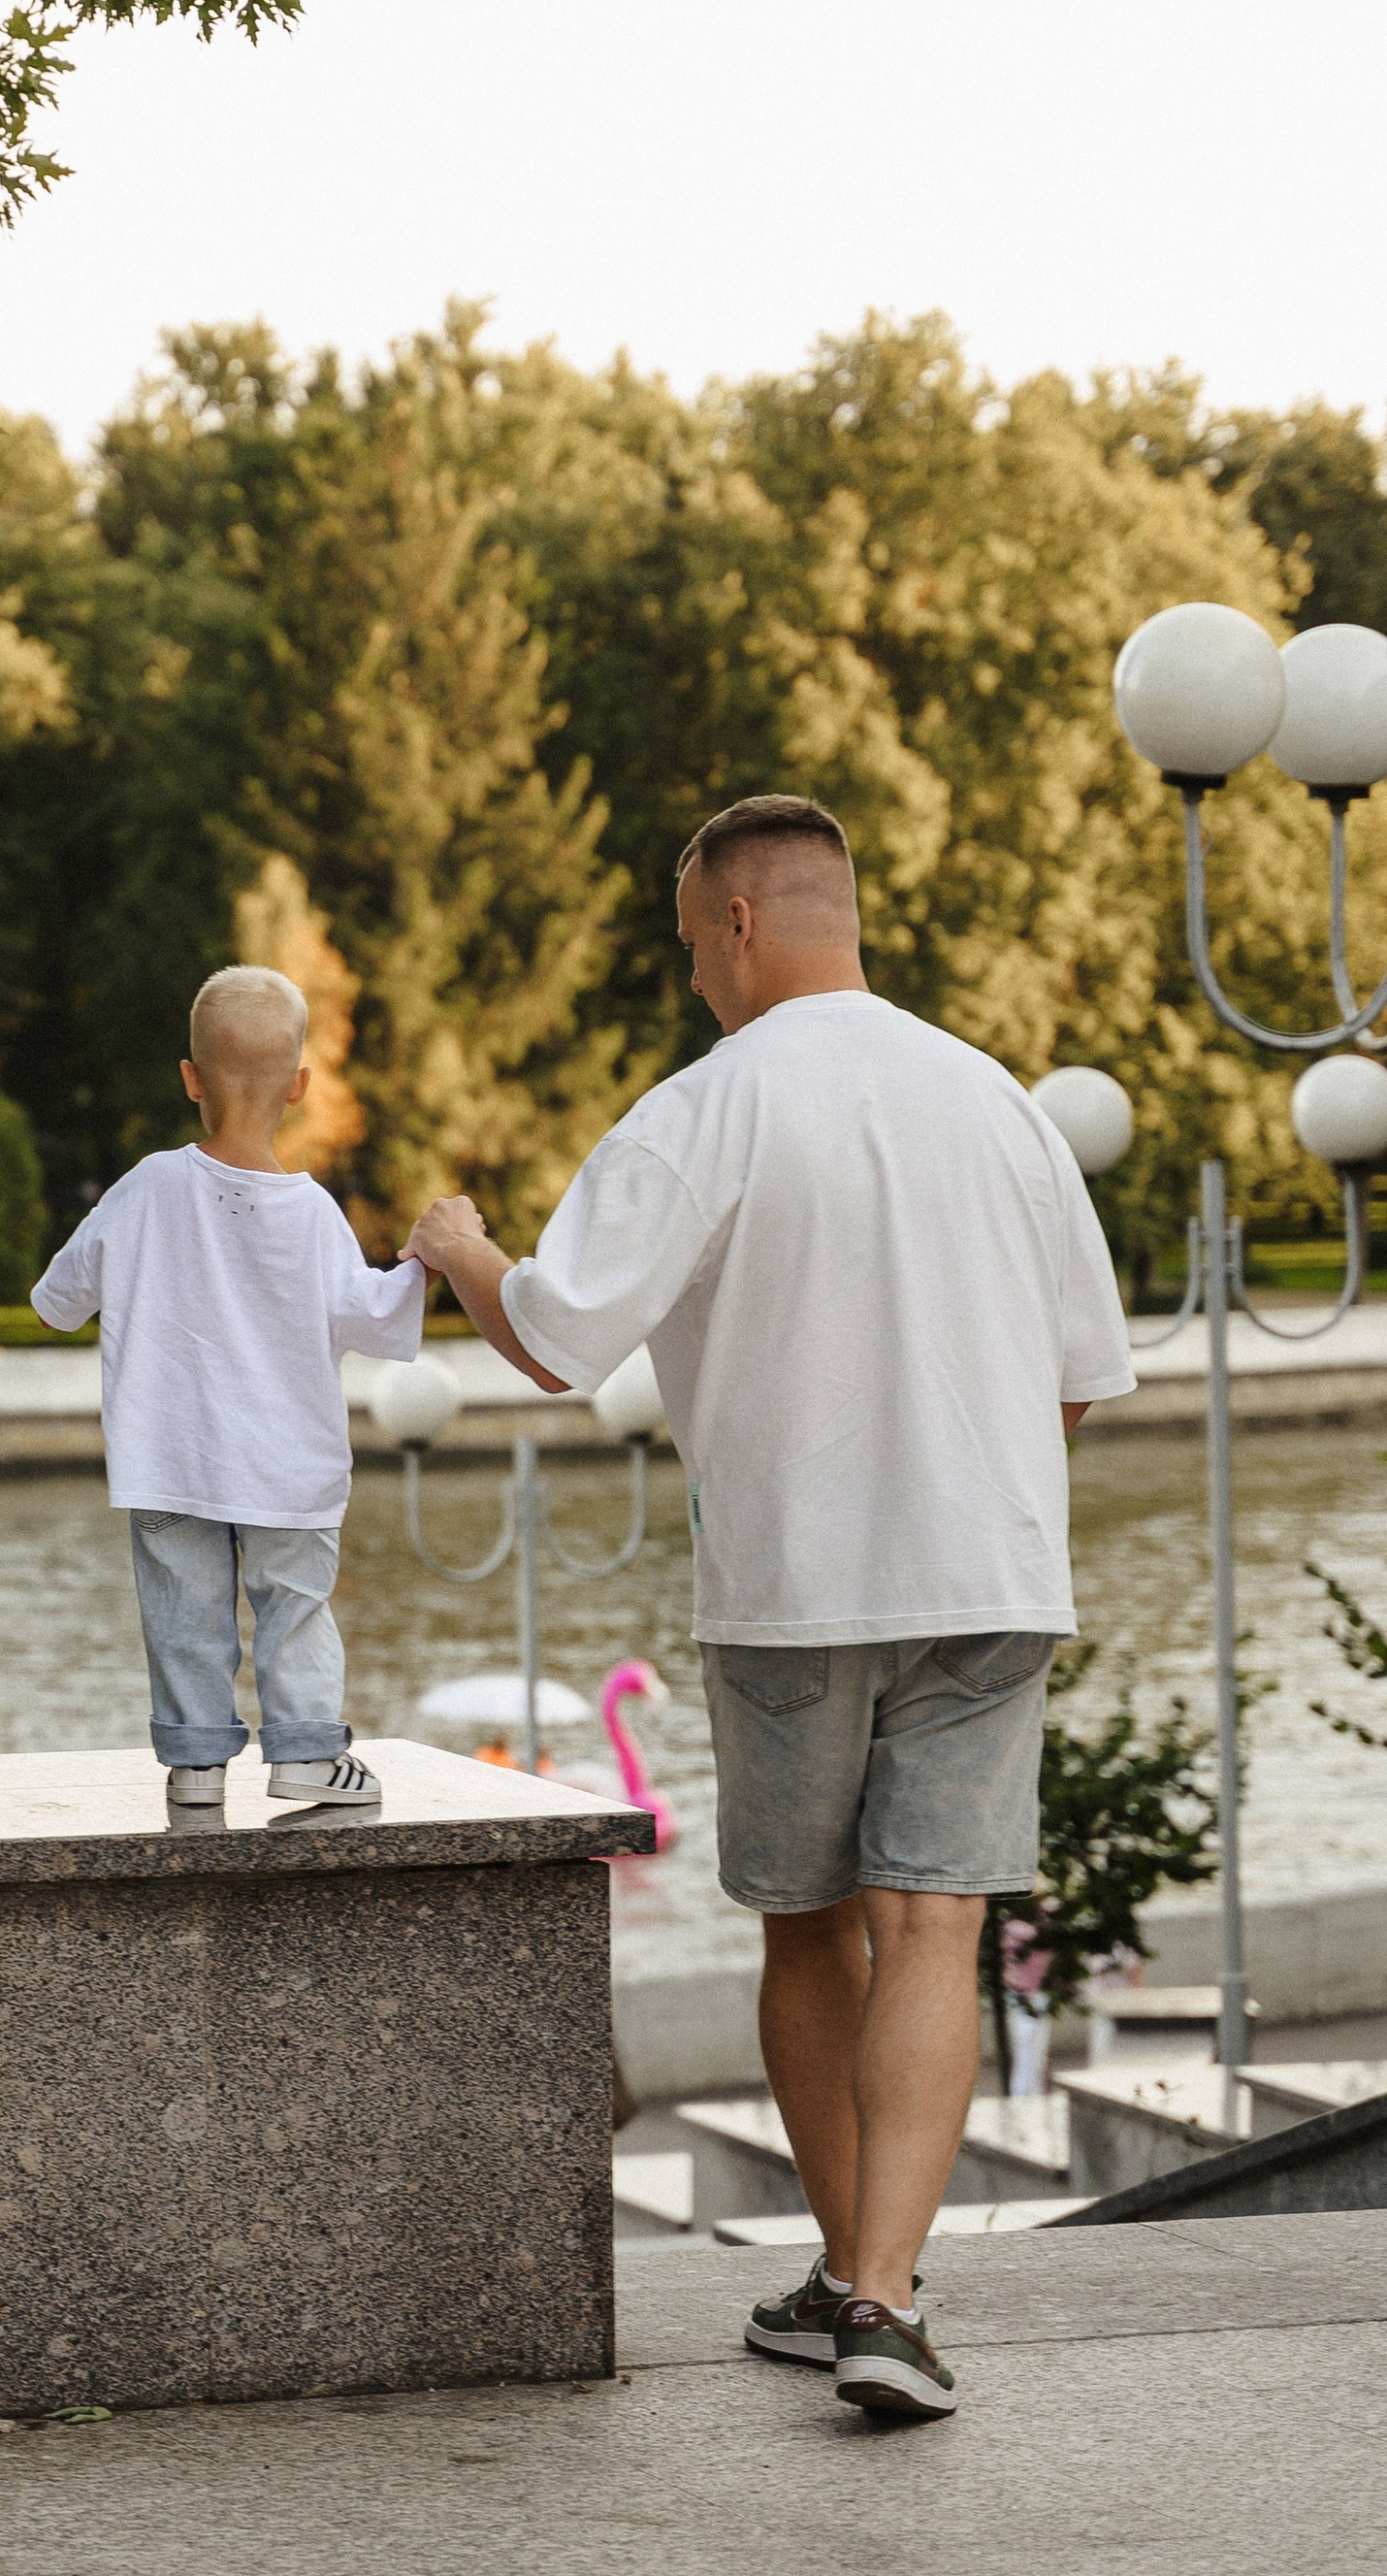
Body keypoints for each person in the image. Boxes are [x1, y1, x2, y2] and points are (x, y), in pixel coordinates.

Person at [407, 796, 1133, 2424]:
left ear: (737, 924)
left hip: (800, 1584)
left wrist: (460, 1248)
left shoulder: (704, 1109)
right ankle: (881, 2298)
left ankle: (846, 2276)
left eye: (690, 950)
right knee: (939, 1921)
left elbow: (554, 1335)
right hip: (991, 1576)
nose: (696, 983)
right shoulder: (1001, 1104)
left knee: (810, 1925)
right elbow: (1079, 1384)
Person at [31, 962, 427, 1823]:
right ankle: (310, 1756)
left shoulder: (142, 1189)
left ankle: (195, 1766)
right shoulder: (314, 1213)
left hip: (170, 1458)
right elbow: (380, 1320)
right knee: (295, 1607)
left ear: (190, 1079)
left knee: (182, 1614)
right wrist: (429, 1258)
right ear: (300, 1085)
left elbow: (56, 1302)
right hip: (288, 1465)